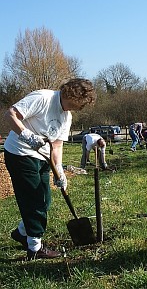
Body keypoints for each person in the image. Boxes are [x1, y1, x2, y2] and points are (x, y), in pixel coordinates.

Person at [4, 78, 96, 260]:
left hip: (44, 158)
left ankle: (22, 232)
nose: (80, 108)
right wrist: (26, 135)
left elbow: (57, 145)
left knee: (45, 201)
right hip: (20, 154)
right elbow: (10, 114)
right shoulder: (43, 98)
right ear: (71, 94)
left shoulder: (66, 116)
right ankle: (35, 247)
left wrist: (59, 170)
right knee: (34, 202)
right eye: (80, 103)